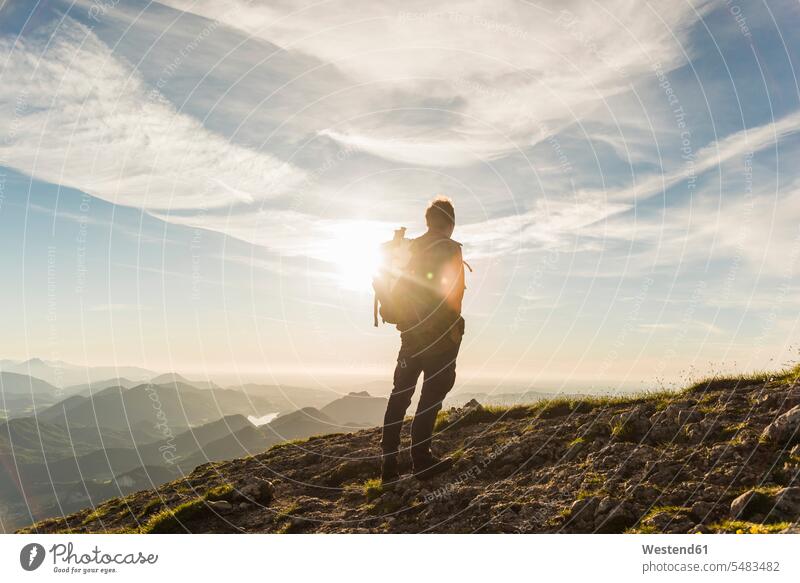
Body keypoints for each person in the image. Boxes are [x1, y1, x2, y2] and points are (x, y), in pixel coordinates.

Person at [380, 196, 466, 482]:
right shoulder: (450, 249)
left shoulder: (409, 249)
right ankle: (421, 461)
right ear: (450, 222)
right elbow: (455, 295)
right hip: (440, 340)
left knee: (399, 396)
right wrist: (453, 331)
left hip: (409, 337)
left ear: (428, 222)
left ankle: (388, 467)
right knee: (430, 398)